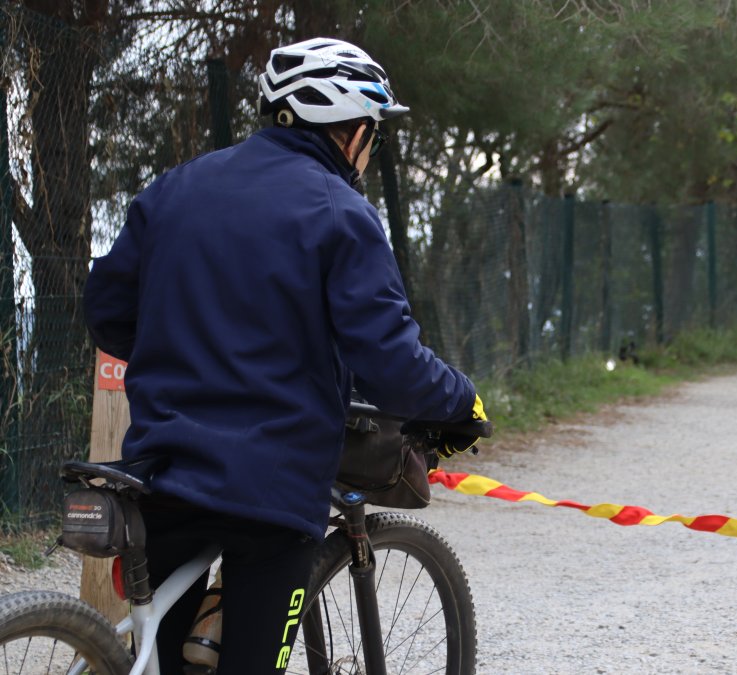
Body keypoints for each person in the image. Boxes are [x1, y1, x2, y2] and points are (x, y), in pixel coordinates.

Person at [83, 37, 485, 674]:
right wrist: (463, 401)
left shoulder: (175, 189)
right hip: (268, 487)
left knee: (155, 655)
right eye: (371, 132)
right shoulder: (341, 212)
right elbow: (390, 361)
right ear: (350, 130)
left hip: (160, 469)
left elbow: (106, 310)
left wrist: (185, 354)